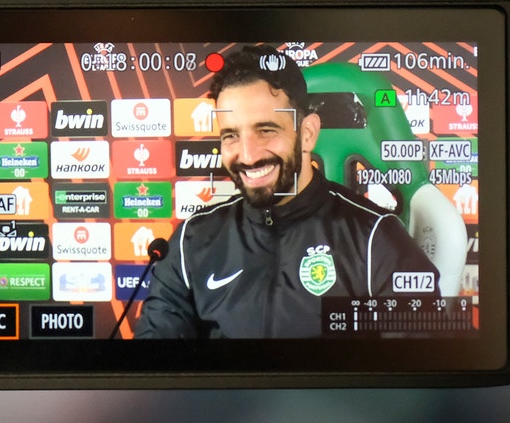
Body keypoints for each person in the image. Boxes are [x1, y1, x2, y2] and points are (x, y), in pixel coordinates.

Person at [134, 45, 438, 339]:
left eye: (266, 130)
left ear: (307, 134)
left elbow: (419, 366)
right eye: (231, 135)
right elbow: (153, 361)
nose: (248, 155)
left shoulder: (377, 239)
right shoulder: (191, 242)